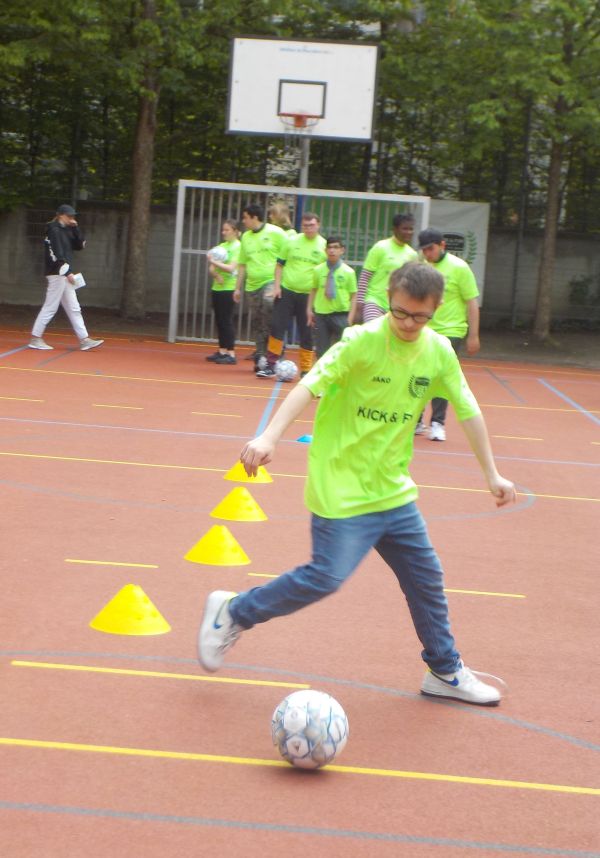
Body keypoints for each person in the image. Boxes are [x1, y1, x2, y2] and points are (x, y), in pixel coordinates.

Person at [199, 261, 516, 706]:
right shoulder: (361, 342)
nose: (408, 323)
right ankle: (234, 611)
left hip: (392, 489)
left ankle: (444, 670)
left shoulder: (439, 350)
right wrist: (270, 435)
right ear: (389, 298)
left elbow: (469, 411)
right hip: (341, 484)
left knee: (426, 578)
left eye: (419, 317)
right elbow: (309, 385)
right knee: (326, 576)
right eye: (400, 312)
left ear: (435, 311)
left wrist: (492, 474)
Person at [415, 227, 481, 442]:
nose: (428, 254)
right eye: (424, 250)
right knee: (418, 372)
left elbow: (472, 302)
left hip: (451, 330)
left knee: (440, 374)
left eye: (431, 249)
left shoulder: (459, 268)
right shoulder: (422, 268)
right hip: (424, 328)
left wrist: (474, 335)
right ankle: (416, 419)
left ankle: (438, 422)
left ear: (442, 245)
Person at [256, 212, 326, 378]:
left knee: (306, 332)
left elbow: (325, 274)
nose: (308, 229)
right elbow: (279, 265)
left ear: (318, 225)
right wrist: (277, 286)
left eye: (312, 225)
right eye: (305, 226)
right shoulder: (292, 241)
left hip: (308, 296)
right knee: (276, 327)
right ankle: (271, 365)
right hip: (287, 291)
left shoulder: (323, 246)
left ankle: (306, 369)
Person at [29, 204, 104, 351]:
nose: (71, 218)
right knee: (50, 306)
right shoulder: (54, 230)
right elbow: (57, 253)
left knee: (74, 308)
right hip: (58, 273)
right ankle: (35, 338)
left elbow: (80, 245)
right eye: (69, 216)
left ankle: (84, 339)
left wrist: (76, 228)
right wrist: (67, 272)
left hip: (63, 273)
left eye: (73, 216)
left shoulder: (66, 229)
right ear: (60, 215)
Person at [234, 203, 286, 372]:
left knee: (269, 310)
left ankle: (277, 353)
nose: (243, 221)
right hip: (252, 285)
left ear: (254, 217)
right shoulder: (246, 237)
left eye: (245, 218)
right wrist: (237, 288)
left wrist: (282, 282)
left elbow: (288, 255)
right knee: (258, 321)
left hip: (270, 280)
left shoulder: (276, 233)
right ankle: (261, 355)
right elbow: (242, 264)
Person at [356, 213, 418, 323]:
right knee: (374, 333)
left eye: (411, 229)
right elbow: (365, 277)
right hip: (374, 302)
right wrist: (360, 305)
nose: (409, 232)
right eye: (405, 229)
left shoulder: (412, 255)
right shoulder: (380, 247)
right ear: (394, 229)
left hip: (397, 307)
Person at [307, 235, 358, 359]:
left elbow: (354, 296)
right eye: (329, 247)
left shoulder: (349, 272)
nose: (332, 250)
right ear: (325, 250)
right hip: (321, 315)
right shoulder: (318, 270)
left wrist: (350, 319)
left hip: (340, 314)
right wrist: (309, 310)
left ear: (342, 250)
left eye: (336, 247)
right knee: (321, 350)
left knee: (343, 350)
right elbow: (313, 290)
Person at [205, 219, 241, 365]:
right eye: (223, 230)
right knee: (219, 320)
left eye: (227, 230)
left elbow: (231, 268)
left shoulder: (238, 247)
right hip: (217, 287)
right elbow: (212, 269)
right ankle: (222, 351)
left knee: (226, 320)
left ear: (235, 231)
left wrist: (213, 262)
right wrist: (216, 274)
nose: (224, 233)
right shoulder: (221, 246)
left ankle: (231, 354)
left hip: (229, 288)